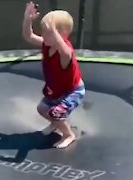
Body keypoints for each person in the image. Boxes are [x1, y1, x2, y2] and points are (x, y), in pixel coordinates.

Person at [22, 2, 86, 149]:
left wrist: (55, 32)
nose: (44, 35)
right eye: (44, 31)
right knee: (42, 109)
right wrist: (28, 19)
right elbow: (28, 36)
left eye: (48, 32)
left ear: (61, 34)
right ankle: (55, 124)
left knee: (56, 113)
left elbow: (66, 53)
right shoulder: (47, 44)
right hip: (56, 90)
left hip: (72, 91)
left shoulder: (65, 52)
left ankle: (69, 134)